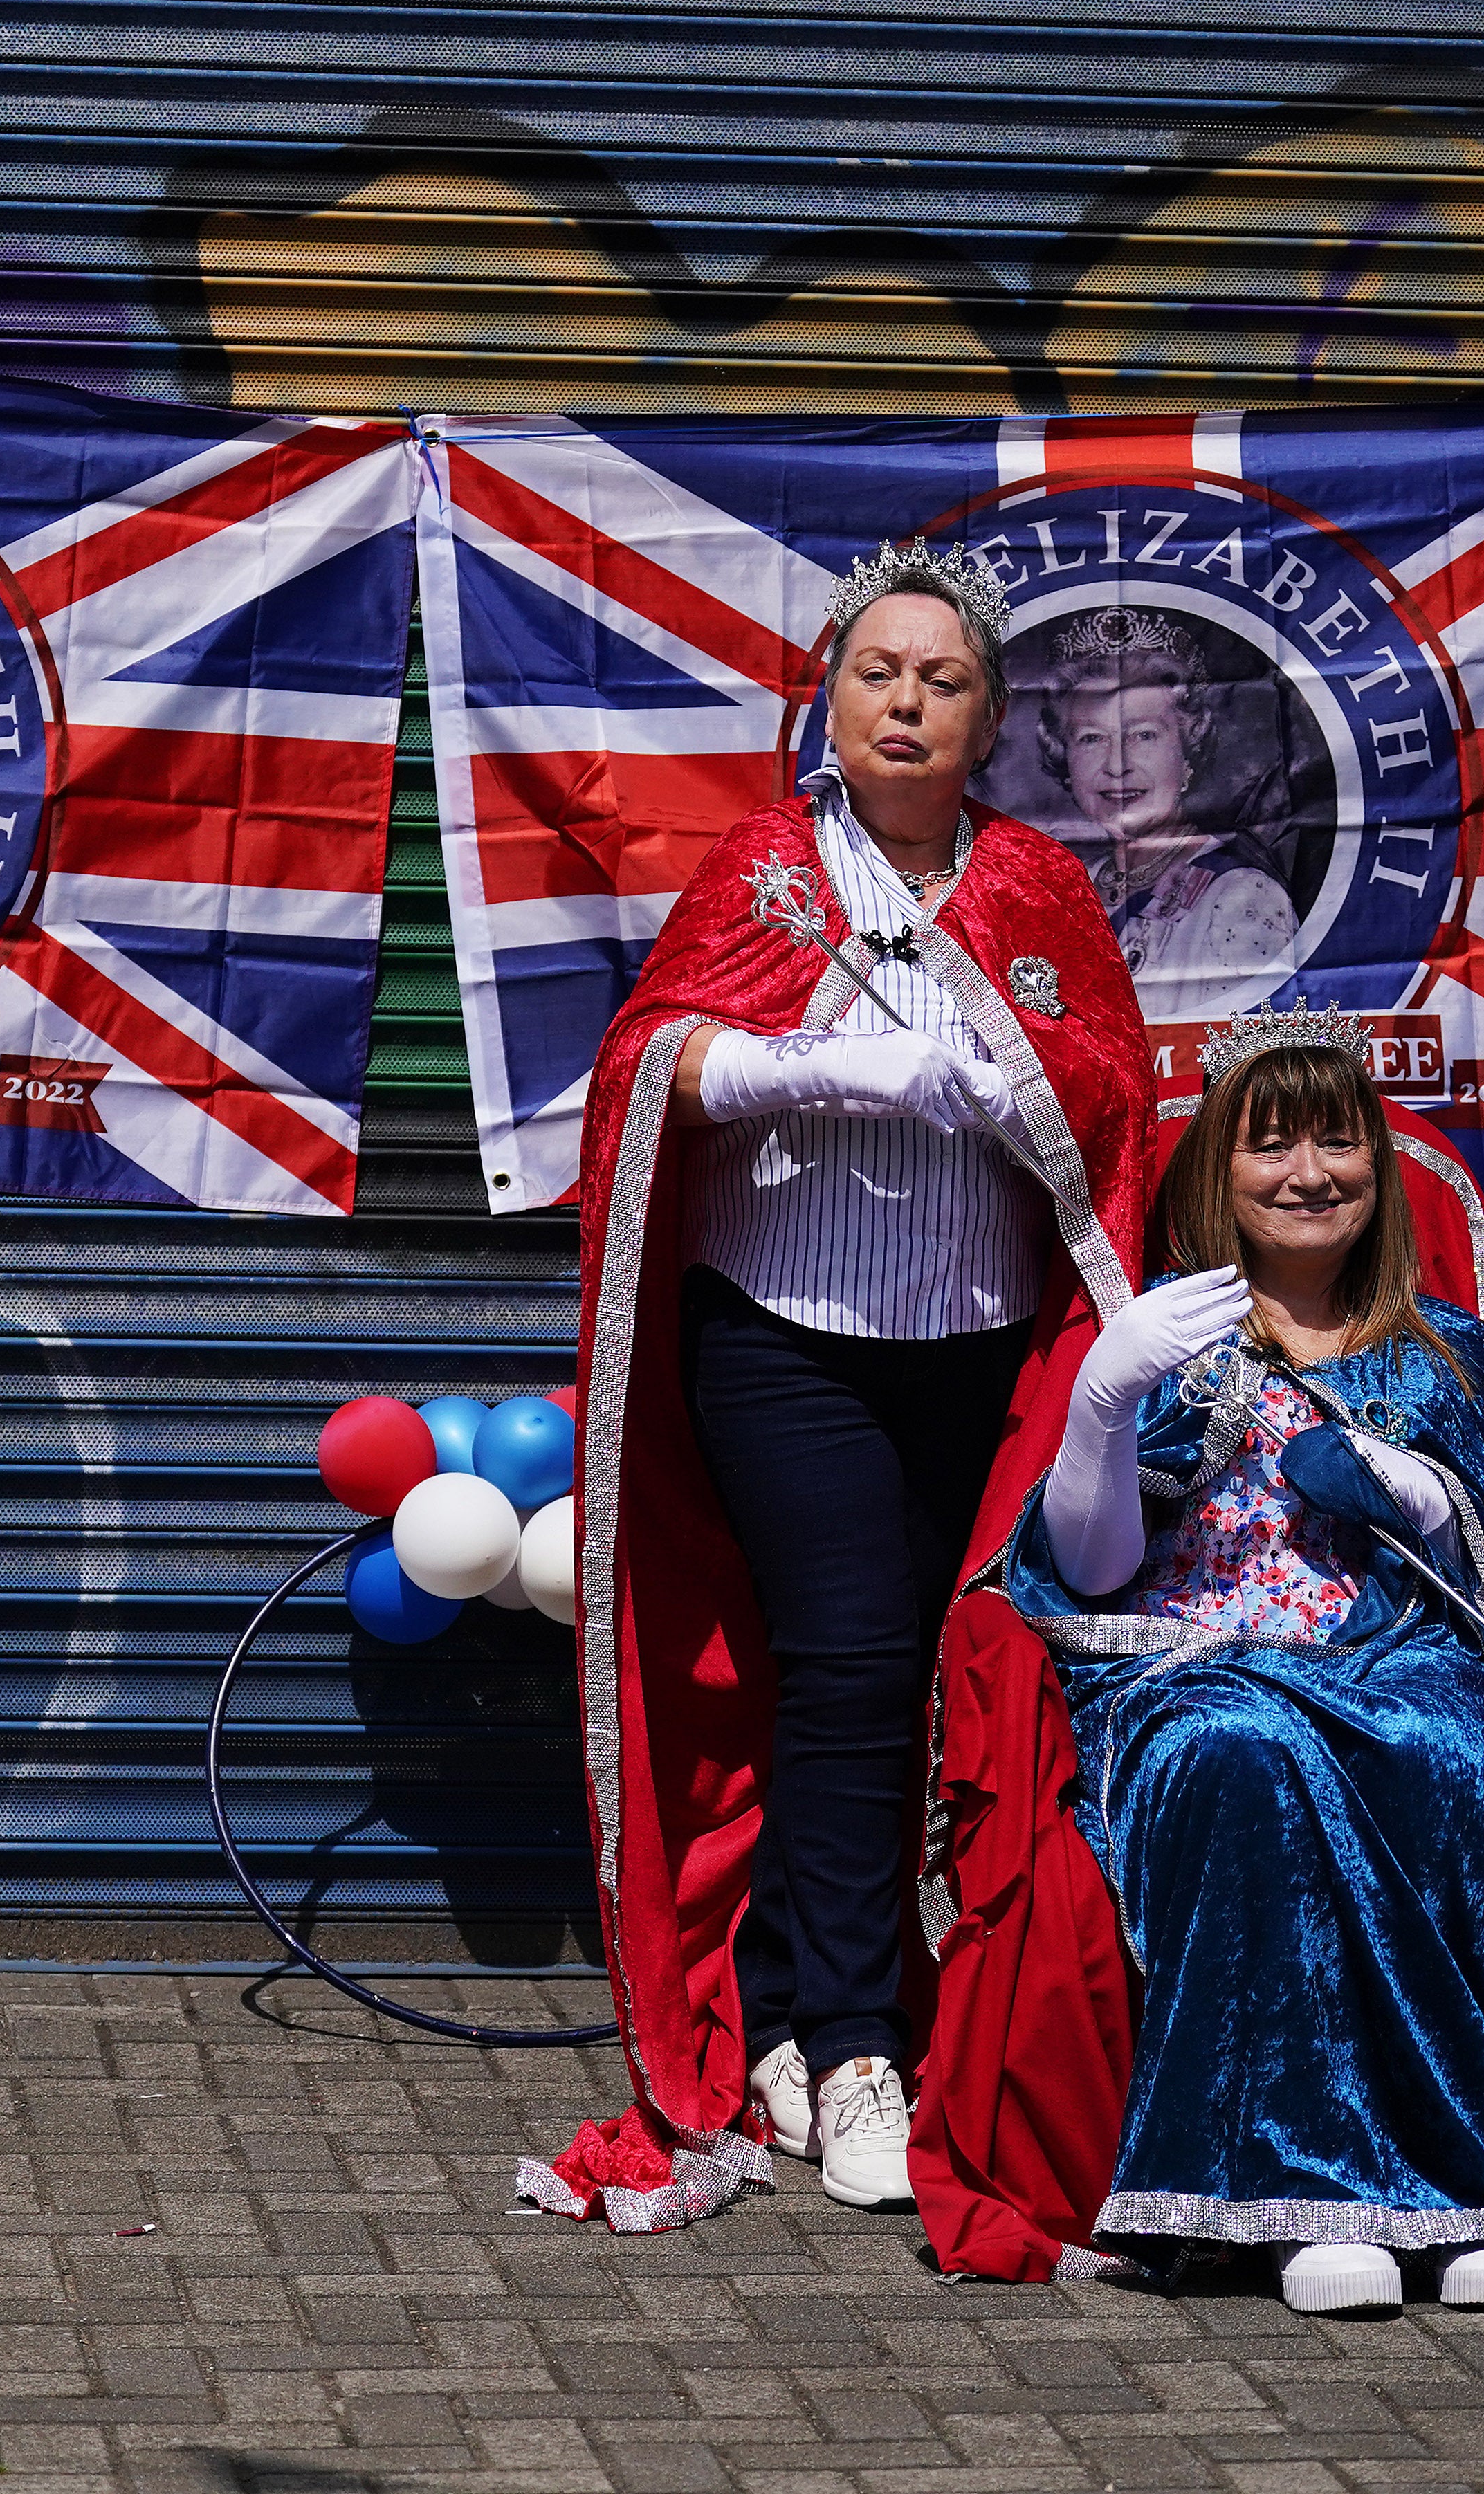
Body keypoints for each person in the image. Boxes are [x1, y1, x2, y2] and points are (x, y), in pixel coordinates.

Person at [516, 538, 1155, 2233]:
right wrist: (815, 1060)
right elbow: (648, 1056)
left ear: (991, 719)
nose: (907, 701)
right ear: (827, 692)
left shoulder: (1037, 891)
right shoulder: (762, 871)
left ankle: (797, 1994)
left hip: (971, 1346)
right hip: (778, 1335)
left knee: (888, 1680)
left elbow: (1108, 1085)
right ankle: (866, 2043)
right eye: (880, 670)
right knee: (855, 1660)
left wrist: (1003, 1088)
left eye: (943, 680)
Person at [976, 1009, 1484, 2311]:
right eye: (1270, 1145)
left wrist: (1408, 1490)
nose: (1308, 1172)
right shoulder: (1161, 1339)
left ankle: (1467, 2194)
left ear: (1380, 1166)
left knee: (1452, 1767)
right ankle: (1293, 2200)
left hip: (1409, 1663)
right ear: (1216, 1176)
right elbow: (1080, 1574)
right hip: (1198, 1666)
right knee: (1245, 1754)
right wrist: (1103, 1404)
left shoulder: (1451, 1354)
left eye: (1337, 1140)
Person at [1030, 605, 1297, 1018]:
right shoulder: (1065, 893)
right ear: (1064, 758)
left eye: (1143, 735)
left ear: (1188, 749)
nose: (1117, 765)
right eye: (1091, 739)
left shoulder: (1242, 895)